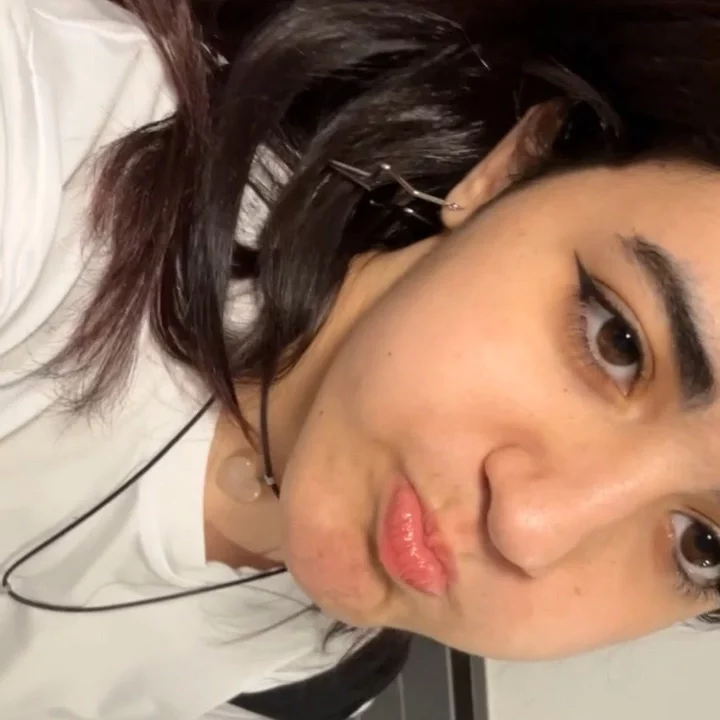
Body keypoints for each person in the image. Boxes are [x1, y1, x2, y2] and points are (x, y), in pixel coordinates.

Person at [4, 0, 720, 717]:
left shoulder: (317, 668)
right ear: (512, 170)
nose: (532, 529)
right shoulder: (50, 154)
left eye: (704, 546)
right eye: (617, 342)